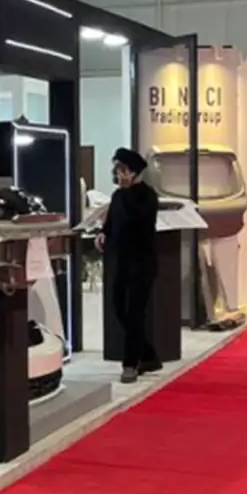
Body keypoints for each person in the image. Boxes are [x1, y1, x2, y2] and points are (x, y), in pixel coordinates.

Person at [98, 148, 161, 384]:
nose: (118, 175)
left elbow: (136, 223)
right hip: (122, 262)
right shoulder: (117, 196)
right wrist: (103, 233)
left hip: (142, 263)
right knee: (119, 309)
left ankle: (130, 364)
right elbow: (112, 222)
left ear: (134, 172)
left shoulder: (147, 197)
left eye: (122, 171)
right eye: (116, 171)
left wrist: (125, 194)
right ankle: (149, 355)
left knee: (134, 314)